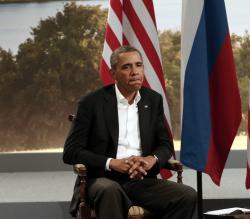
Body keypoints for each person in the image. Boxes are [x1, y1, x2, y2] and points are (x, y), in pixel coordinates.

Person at [63, 45, 197, 219]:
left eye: (138, 65)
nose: (135, 72)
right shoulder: (91, 103)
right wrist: (112, 163)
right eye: (127, 67)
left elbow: (165, 144)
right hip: (104, 179)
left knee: (187, 195)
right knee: (109, 190)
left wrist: (150, 160)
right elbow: (71, 152)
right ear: (113, 74)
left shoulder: (153, 100)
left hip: (142, 180)